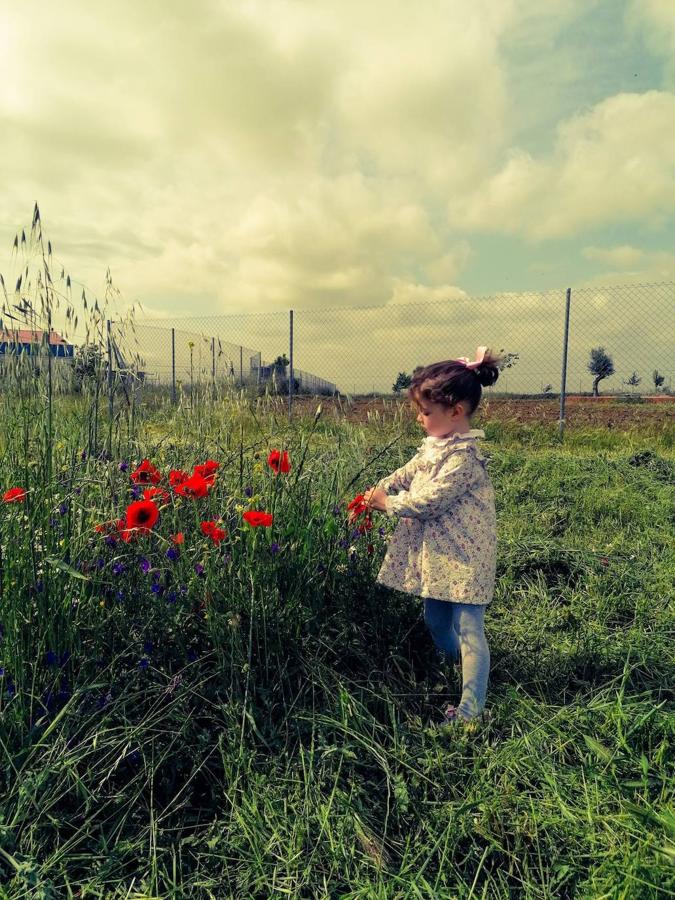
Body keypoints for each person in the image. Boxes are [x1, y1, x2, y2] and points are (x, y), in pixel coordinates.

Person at [363, 346, 502, 728]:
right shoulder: (436, 445)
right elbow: (411, 471)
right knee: (435, 621)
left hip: (466, 557)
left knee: (470, 627)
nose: (420, 419)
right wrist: (384, 485)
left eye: (426, 412)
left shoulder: (464, 458)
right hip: (442, 555)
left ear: (455, 412)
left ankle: (472, 709)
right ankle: (459, 666)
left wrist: (387, 504)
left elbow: (430, 501)